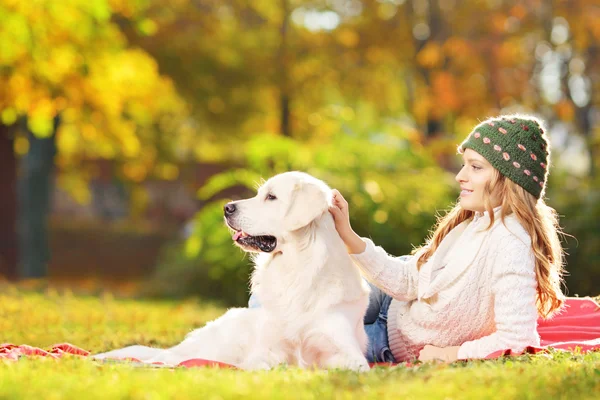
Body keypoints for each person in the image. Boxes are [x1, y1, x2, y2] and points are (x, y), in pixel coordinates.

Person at [328, 115, 566, 364]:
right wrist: (347, 234)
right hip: (393, 301)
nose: (460, 176)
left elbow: (517, 339)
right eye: (464, 164)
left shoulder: (512, 242)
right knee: (305, 298)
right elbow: (408, 281)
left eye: (475, 167)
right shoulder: (473, 221)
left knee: (304, 337)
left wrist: (449, 354)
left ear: (509, 180)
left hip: (387, 339)